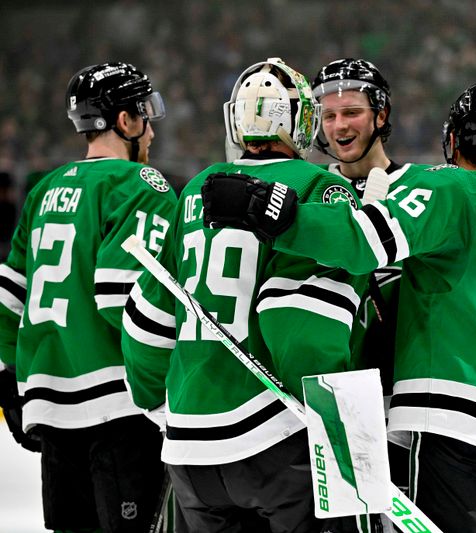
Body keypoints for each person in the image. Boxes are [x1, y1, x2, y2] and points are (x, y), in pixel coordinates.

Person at [202, 83, 476, 533]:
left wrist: (272, 214)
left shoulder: (445, 187)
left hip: (455, 417)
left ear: (452, 140)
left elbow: (361, 243)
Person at [121, 57, 366, 533]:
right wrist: (335, 424)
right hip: (276, 434)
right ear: (299, 120)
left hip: (190, 448)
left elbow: (146, 319)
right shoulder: (319, 185)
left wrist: (161, 406)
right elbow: (302, 326)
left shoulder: (195, 188)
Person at [0, 62, 175, 532]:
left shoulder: (43, 189)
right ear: (125, 121)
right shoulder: (140, 186)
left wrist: (11, 381)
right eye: (146, 116)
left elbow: (6, 300)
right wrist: (170, 380)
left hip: (50, 406)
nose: (152, 133)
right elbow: (122, 299)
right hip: (120, 406)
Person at [312, 58, 410, 532]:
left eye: (350, 112)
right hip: (331, 398)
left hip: (408, 401)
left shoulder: (421, 190)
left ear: (381, 115)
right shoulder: (310, 193)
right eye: (328, 115)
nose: (338, 125)